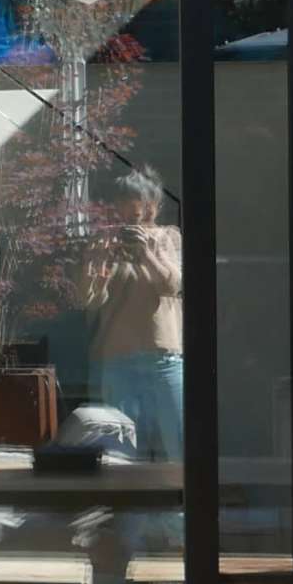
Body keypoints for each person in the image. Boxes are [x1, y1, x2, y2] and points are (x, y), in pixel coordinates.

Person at [85, 172, 185, 459]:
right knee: (122, 453)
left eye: (138, 202)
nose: (131, 210)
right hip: (118, 360)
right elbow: (89, 300)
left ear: (153, 204)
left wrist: (147, 254)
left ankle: (184, 505)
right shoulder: (104, 241)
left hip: (164, 358)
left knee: (179, 446)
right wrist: (97, 265)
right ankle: (127, 505)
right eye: (124, 202)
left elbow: (173, 286)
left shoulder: (168, 237)